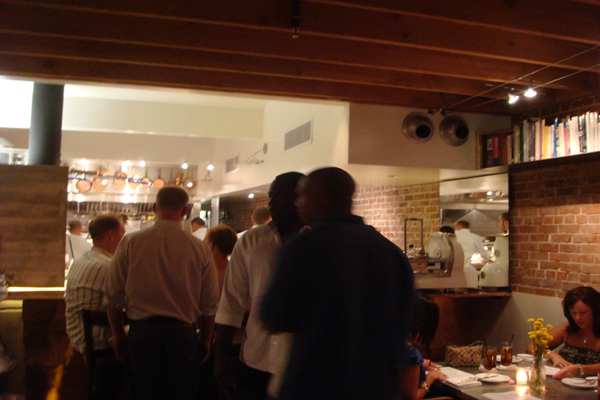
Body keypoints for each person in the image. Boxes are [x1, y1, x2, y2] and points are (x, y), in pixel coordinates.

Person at [261, 167, 415, 400]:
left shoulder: (303, 247)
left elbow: (273, 318)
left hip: (315, 389)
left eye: (303, 195)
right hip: (378, 390)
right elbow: (407, 322)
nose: (298, 203)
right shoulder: (392, 253)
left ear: (324, 198)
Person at [104, 186, 220, 400]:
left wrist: (118, 335)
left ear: (155, 208)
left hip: (142, 335)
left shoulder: (130, 242)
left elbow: (112, 295)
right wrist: (205, 338)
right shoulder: (200, 248)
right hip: (182, 336)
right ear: (184, 210)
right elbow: (210, 302)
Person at [214, 172, 305, 400]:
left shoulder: (320, 241)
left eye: (278, 197)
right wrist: (220, 358)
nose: (271, 203)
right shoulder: (251, 240)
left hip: (302, 364)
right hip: (255, 358)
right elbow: (231, 302)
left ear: (299, 198)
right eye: (270, 196)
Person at [64, 214, 126, 399]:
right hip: (100, 345)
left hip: (79, 339)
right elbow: (133, 305)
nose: (124, 240)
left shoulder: (80, 261)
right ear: (111, 235)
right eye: (122, 234)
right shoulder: (109, 267)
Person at [530, 286, 600, 379]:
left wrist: (580, 369)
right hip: (563, 381)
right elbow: (532, 346)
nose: (578, 318)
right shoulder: (568, 328)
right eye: (573, 313)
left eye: (583, 312)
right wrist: (552, 355)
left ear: (595, 310)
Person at [402, 293, 447, 400]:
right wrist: (431, 376)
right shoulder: (411, 353)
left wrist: (420, 365)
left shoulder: (392, 343)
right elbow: (412, 397)